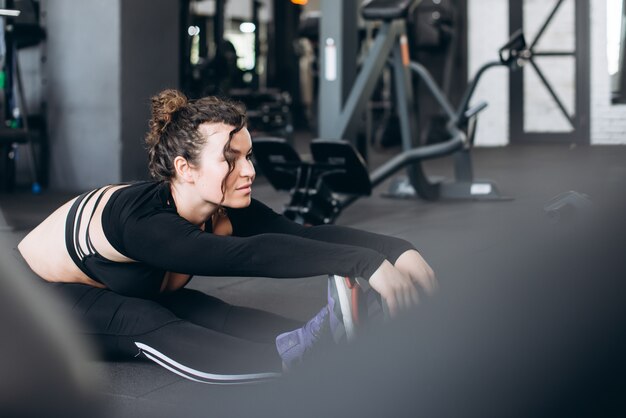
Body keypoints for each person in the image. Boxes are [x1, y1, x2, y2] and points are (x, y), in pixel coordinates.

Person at [16, 89, 436, 383]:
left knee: (211, 312)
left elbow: (300, 235)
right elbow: (248, 256)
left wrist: (397, 251)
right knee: (145, 321)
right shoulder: (145, 223)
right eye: (230, 159)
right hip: (29, 304)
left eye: (248, 156)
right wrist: (363, 263)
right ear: (185, 169)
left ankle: (318, 345)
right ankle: (292, 365)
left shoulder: (216, 208)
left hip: (110, 285)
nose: (249, 170)